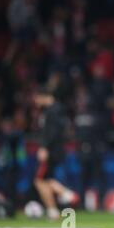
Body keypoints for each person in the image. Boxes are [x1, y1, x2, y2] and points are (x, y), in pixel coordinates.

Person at [33, 86, 79, 220]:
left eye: (37, 97)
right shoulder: (56, 109)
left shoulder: (52, 111)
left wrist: (44, 147)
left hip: (51, 150)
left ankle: (66, 196)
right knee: (46, 180)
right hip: (56, 149)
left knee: (39, 180)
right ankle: (54, 209)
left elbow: (52, 132)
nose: (35, 100)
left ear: (44, 96)